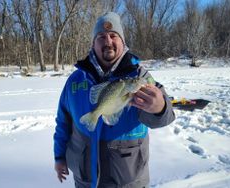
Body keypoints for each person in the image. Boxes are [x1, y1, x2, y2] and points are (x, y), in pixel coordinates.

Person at [53, 12, 175, 188]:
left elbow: (166, 116)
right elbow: (63, 123)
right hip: (86, 180)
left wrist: (160, 107)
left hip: (128, 181)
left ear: (122, 42)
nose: (108, 41)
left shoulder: (140, 77)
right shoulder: (74, 82)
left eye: (113, 36)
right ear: (93, 43)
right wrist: (59, 157)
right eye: (101, 37)